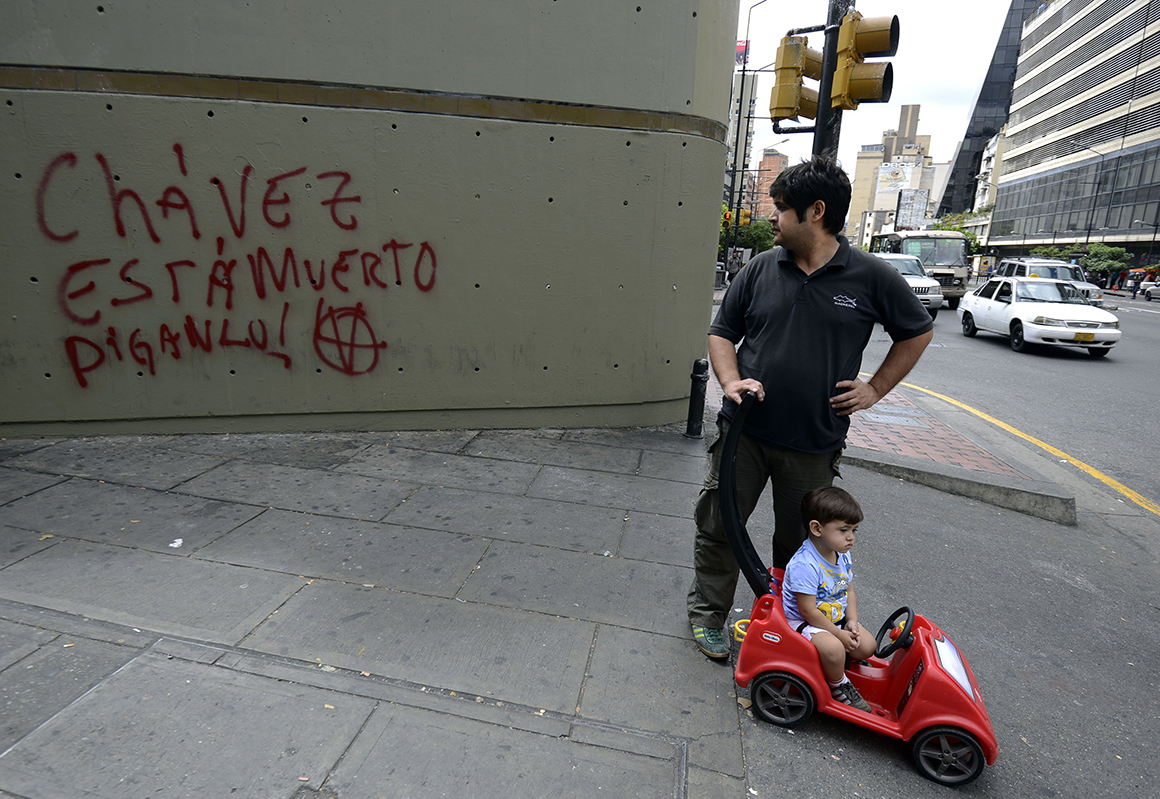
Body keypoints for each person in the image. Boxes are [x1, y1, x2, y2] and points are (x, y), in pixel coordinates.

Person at [687, 156, 934, 660]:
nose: (773, 217)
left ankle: (789, 630)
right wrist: (730, 381)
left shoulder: (871, 276)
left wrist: (875, 388)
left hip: (813, 444)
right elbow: (722, 332)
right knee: (720, 526)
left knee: (803, 546)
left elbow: (917, 332)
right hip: (744, 434)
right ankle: (708, 615)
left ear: (816, 212)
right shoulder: (761, 267)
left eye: (781, 208)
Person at [782, 486, 877, 712]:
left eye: (854, 530)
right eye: (844, 530)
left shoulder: (842, 555)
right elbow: (808, 610)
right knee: (835, 649)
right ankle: (838, 685)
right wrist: (838, 634)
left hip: (832, 617)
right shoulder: (806, 565)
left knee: (868, 646)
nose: (851, 538)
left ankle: (836, 660)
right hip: (804, 622)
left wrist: (851, 621)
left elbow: (848, 590)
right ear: (817, 528)